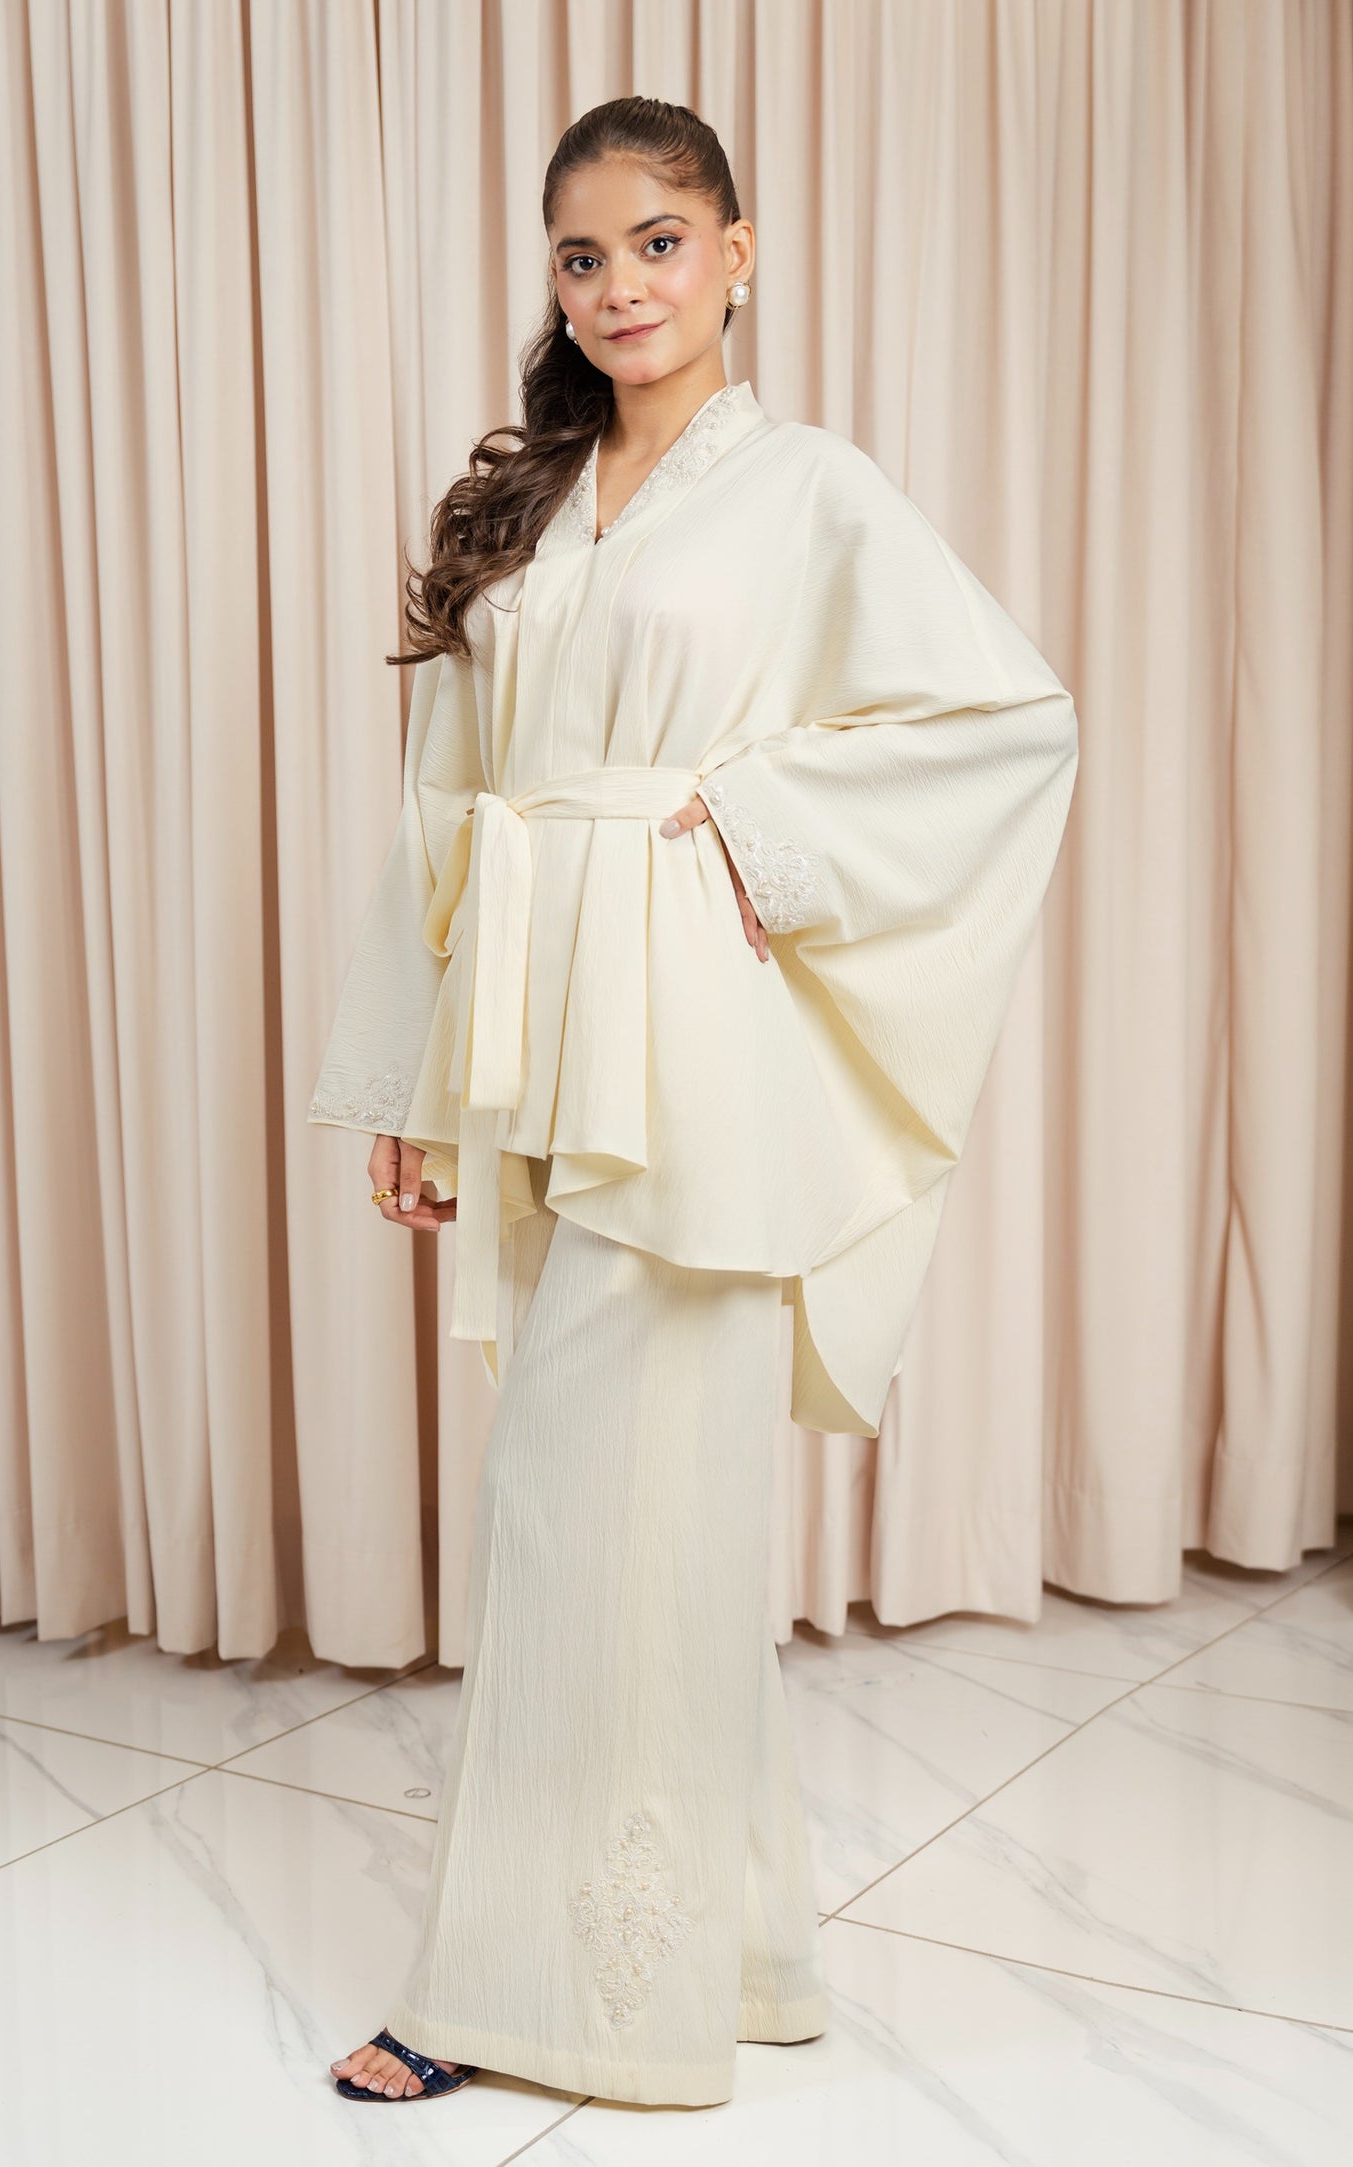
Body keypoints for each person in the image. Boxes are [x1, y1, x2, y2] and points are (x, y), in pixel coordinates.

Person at [310, 94, 1079, 2110]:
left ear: (736, 251)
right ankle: (728, 1953)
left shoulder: (811, 490)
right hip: (534, 1038)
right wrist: (413, 1083)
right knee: (643, 1513)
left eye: (658, 241)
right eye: (582, 254)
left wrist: (742, 820)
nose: (620, 285)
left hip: (696, 1056)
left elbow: (1008, 721)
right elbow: (443, 806)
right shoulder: (531, 507)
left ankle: (508, 1993)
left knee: (579, 1504)